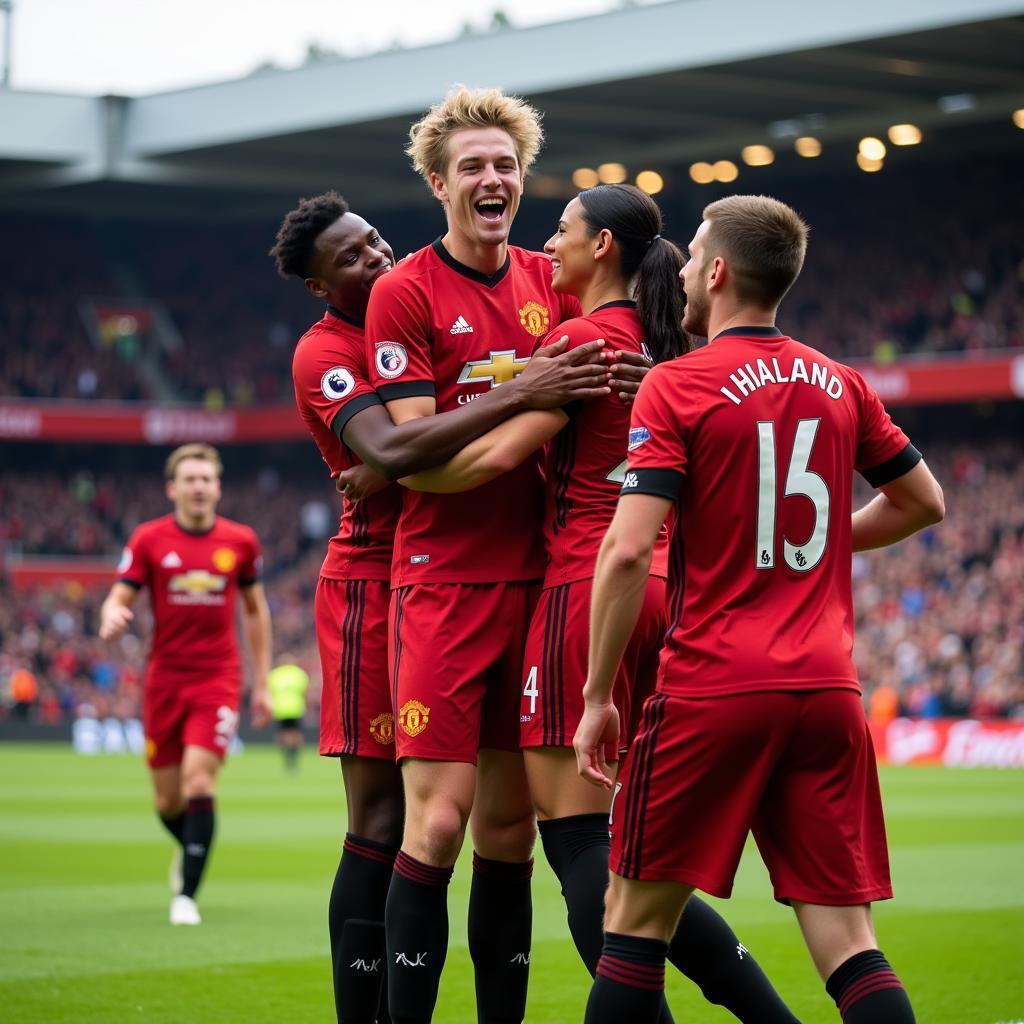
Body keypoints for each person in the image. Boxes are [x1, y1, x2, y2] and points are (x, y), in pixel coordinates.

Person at [364, 85, 783, 1024]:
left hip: (558, 587)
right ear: (439, 182)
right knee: (442, 821)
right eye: (472, 165)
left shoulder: (548, 293)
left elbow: (602, 391)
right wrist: (542, 389)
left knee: (523, 833)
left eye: (505, 165)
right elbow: (415, 442)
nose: (493, 179)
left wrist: (632, 382)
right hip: (446, 580)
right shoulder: (407, 291)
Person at [575, 194, 944, 1024]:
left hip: (713, 688)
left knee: (630, 932)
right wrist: (806, 544)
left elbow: (630, 550)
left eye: (694, 251)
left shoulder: (675, 384)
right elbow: (924, 502)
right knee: (850, 944)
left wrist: (600, 697)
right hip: (827, 692)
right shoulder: (843, 383)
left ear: (715, 271)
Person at [271, 189, 613, 1024]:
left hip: (502, 568)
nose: (374, 257)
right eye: (349, 258)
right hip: (379, 585)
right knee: (386, 819)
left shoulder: (457, 296)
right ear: (321, 288)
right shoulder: (327, 353)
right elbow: (389, 448)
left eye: (375, 240)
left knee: (505, 826)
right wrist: (525, 388)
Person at [98, 443, 274, 926]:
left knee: (200, 781)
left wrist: (261, 682)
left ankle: (187, 896)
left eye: (206, 479)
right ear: (172, 488)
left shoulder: (240, 541)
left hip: (217, 678)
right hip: (163, 680)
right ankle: (191, 847)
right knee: (167, 800)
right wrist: (113, 614)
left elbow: (256, 612)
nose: (198, 487)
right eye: (189, 479)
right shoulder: (149, 539)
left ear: (217, 488)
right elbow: (118, 595)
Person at [267, 653, 310, 772]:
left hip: (280, 710)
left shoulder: (274, 674)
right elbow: (305, 692)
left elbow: (269, 693)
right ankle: (294, 758)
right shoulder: (299, 674)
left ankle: (287, 758)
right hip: (295, 709)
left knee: (282, 736)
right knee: (295, 735)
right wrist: (306, 706)